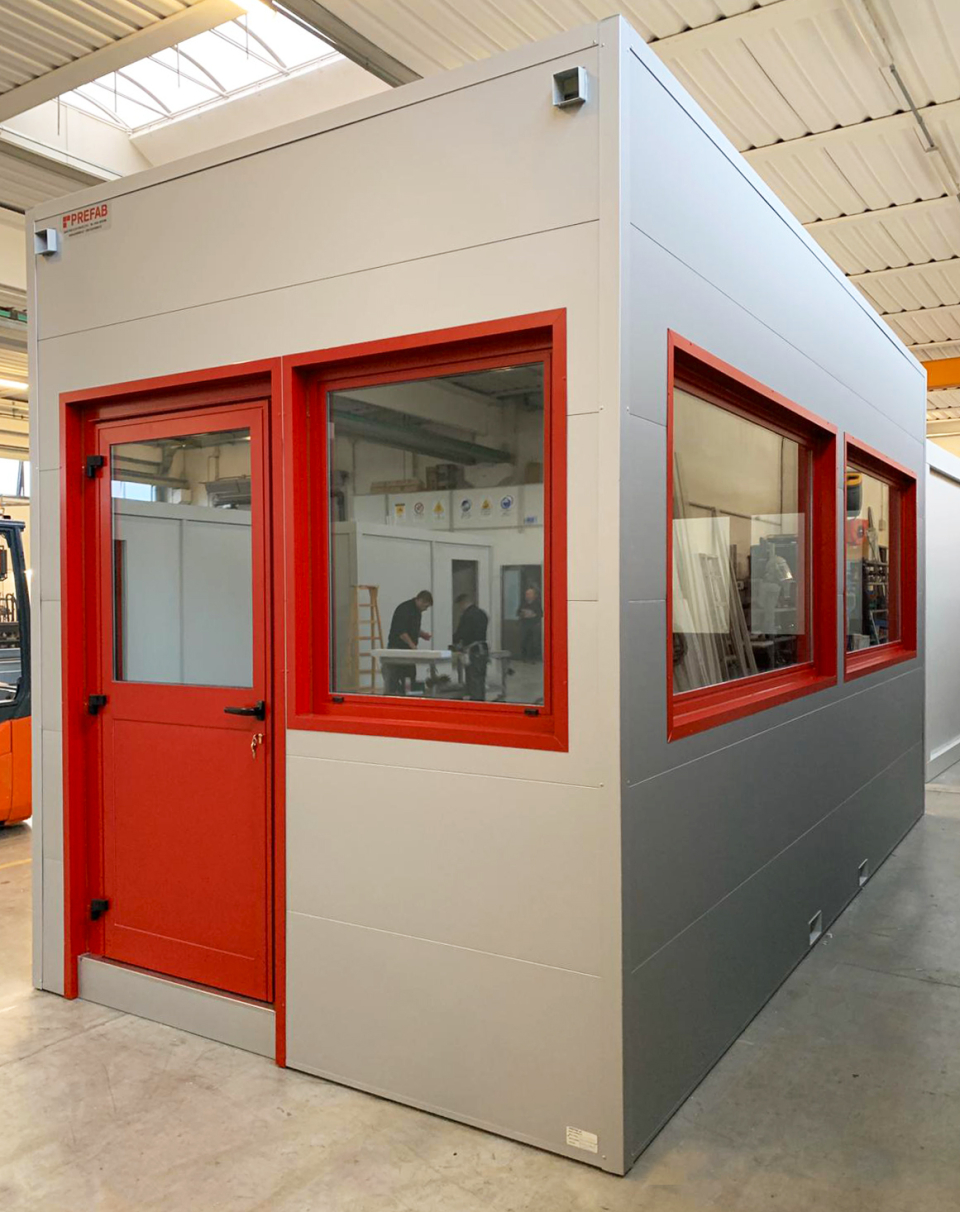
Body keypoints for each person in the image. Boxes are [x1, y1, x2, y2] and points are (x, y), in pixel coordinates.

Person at [385, 590, 433, 695]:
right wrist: (413, 646)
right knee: (394, 680)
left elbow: (412, 628)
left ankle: (408, 696)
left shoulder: (417, 612)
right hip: (397, 649)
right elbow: (402, 632)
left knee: (410, 678)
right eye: (425, 606)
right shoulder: (404, 609)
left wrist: (423, 634)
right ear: (420, 600)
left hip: (408, 651)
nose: (425, 609)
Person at [452, 593, 489, 701]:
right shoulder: (482, 613)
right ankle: (481, 703)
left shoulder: (467, 615)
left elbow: (462, 633)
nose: (460, 609)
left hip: (473, 651)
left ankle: (475, 704)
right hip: (483, 649)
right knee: (481, 680)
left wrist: (454, 640)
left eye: (460, 605)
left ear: (463, 603)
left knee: (473, 681)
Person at [517, 585, 543, 662]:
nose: (527, 595)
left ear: (534, 595)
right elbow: (518, 612)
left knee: (534, 642)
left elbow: (541, 614)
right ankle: (524, 657)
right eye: (526, 594)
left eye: (529, 594)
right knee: (524, 641)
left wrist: (533, 615)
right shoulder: (523, 603)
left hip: (534, 625)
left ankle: (533, 658)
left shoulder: (537, 603)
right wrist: (522, 614)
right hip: (525, 624)